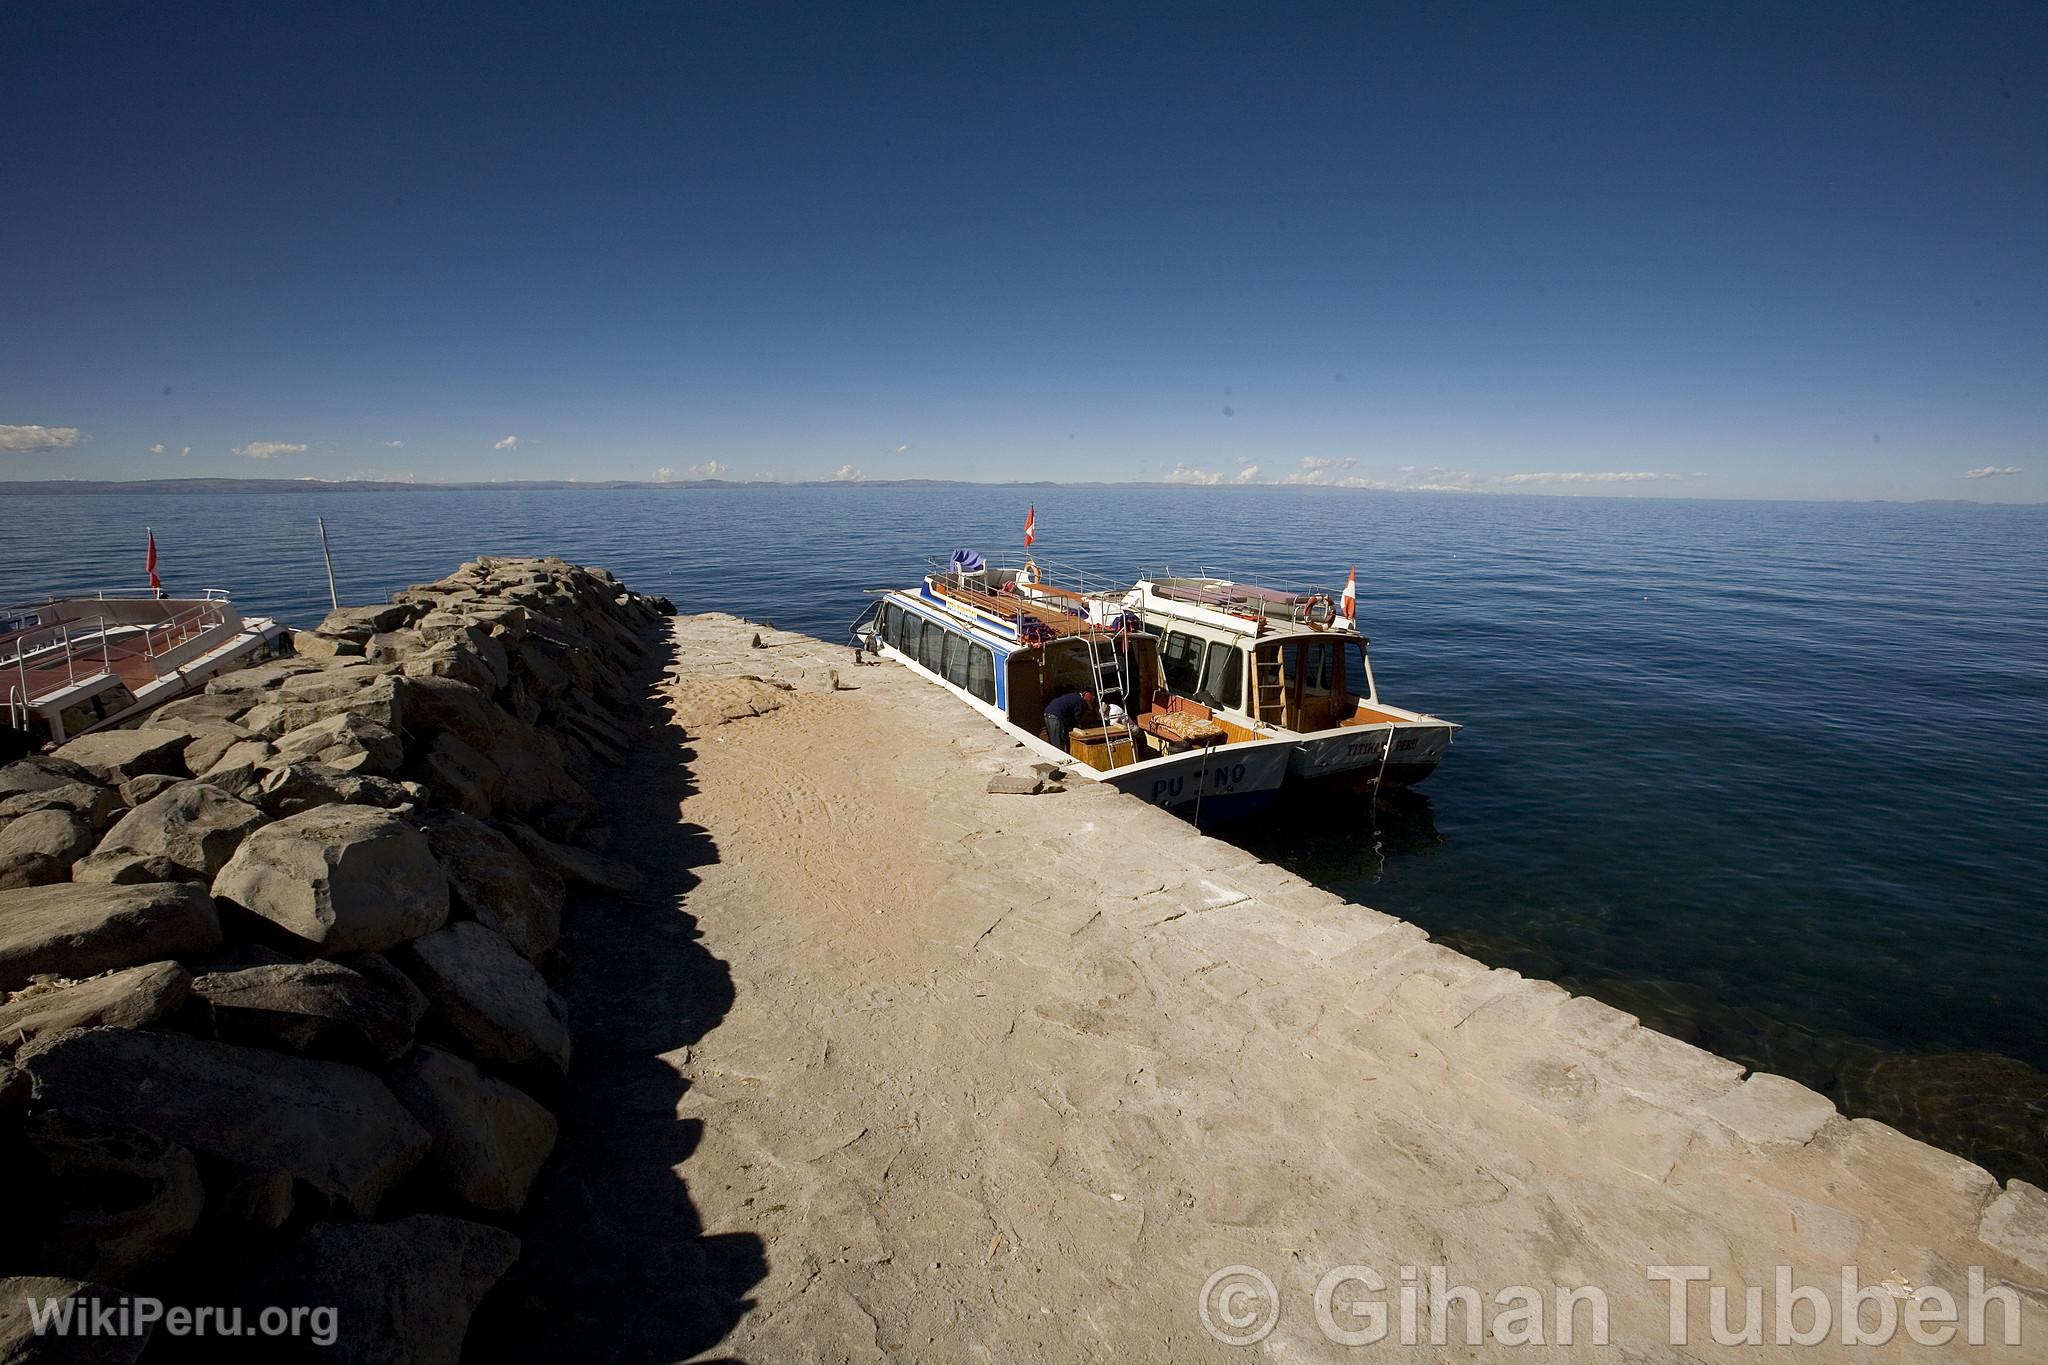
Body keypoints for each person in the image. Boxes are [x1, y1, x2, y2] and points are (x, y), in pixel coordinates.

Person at [1043, 687, 1095, 752]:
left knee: (1053, 740)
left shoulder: (1074, 696)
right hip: (1055, 716)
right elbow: (1076, 718)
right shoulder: (1080, 702)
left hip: (1047, 712)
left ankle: (1055, 755)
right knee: (1058, 743)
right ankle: (1060, 757)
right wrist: (1078, 727)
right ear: (1086, 701)